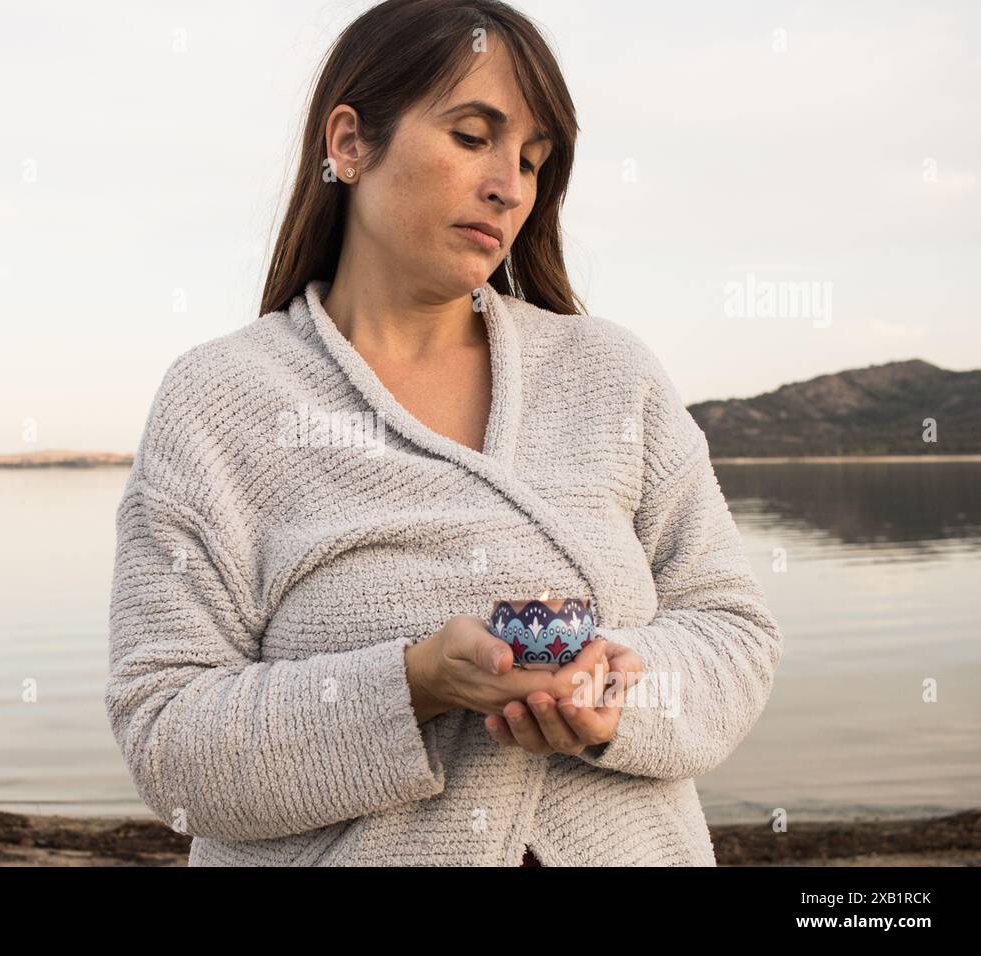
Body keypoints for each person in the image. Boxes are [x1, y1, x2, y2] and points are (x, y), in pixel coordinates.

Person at [105, 0, 783, 866]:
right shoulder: (223, 398)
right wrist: (412, 684)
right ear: (348, 143)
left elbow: (734, 633)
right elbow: (169, 745)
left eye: (535, 160)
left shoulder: (613, 374)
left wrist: (615, 699)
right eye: (473, 137)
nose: (511, 185)